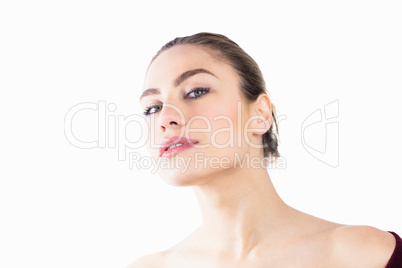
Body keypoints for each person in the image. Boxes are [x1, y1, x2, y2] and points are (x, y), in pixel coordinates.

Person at [129, 32, 401, 267]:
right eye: (152, 108)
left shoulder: (365, 255)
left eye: (196, 91)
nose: (165, 119)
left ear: (260, 114)